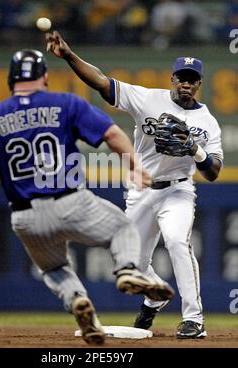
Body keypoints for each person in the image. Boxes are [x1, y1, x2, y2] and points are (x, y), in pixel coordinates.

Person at [0, 49, 174, 346]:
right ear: (44, 76)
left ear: (10, 79)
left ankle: (78, 301)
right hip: (71, 201)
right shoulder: (65, 103)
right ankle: (126, 271)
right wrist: (133, 164)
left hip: (25, 217)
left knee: (55, 268)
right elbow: (111, 133)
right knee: (123, 228)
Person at [45, 31, 223, 339]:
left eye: (192, 79)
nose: (186, 83)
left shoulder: (207, 122)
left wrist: (195, 149)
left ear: (199, 84)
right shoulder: (148, 98)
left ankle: (193, 318)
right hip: (141, 190)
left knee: (178, 241)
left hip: (177, 190)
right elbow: (101, 82)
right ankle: (154, 297)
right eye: (182, 77)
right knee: (130, 263)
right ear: (172, 79)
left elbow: (214, 171)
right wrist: (69, 56)